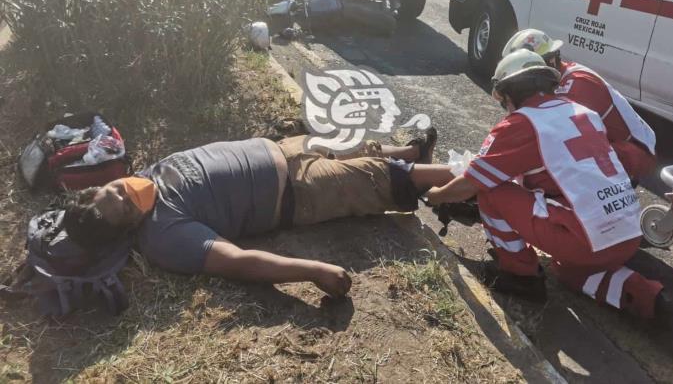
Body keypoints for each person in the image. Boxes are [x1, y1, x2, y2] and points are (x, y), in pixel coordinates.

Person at [425, 50, 673, 320]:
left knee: (492, 190)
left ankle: (519, 274)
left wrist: (437, 196)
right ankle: (649, 297)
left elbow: (472, 182)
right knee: (568, 270)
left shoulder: (520, 124)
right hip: (628, 234)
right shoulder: (583, 113)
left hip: (587, 240)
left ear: (509, 95)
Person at [63, 129, 455, 298]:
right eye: (127, 205)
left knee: (355, 150)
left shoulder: (142, 178)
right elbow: (238, 262)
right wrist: (312, 271)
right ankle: (475, 179)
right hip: (297, 190)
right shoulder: (163, 236)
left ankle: (411, 153)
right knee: (378, 177)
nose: (128, 193)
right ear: (128, 227)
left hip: (282, 149)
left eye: (116, 190)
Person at [502, 29, 656, 182]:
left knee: (544, 168)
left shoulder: (576, 86)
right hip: (617, 147)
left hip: (633, 154)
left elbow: (550, 135)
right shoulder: (561, 75)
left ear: (550, 61)